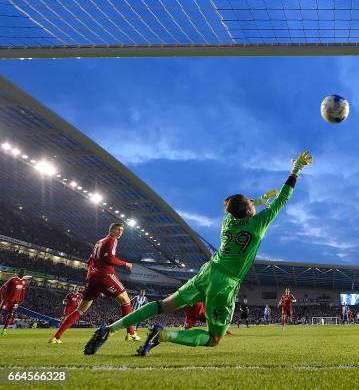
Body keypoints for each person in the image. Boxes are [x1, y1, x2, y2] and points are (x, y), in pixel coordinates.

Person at [84, 151, 313, 356]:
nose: (256, 205)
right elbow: (283, 199)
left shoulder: (227, 222)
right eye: (252, 205)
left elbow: (243, 205)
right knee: (214, 339)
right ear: (249, 211)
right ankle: (163, 336)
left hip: (208, 271)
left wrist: (261, 199)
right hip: (225, 283)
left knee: (163, 305)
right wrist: (295, 170)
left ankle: (108, 330)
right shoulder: (258, 224)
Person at [50, 223, 139, 344]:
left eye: (122, 231)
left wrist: (90, 276)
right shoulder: (111, 240)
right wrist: (125, 264)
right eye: (117, 230)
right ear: (111, 230)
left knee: (81, 309)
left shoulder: (99, 242)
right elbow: (110, 259)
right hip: (105, 275)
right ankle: (131, 334)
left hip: (93, 277)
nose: (120, 233)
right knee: (125, 300)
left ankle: (56, 337)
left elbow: (90, 260)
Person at [0, 268, 29, 335]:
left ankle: (4, 330)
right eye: (22, 271)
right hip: (7, 300)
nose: (23, 273)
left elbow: (23, 291)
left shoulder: (24, 281)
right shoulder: (12, 279)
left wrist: (22, 299)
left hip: (15, 302)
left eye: (24, 272)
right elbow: (2, 288)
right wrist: (2, 298)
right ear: (19, 272)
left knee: (11, 314)